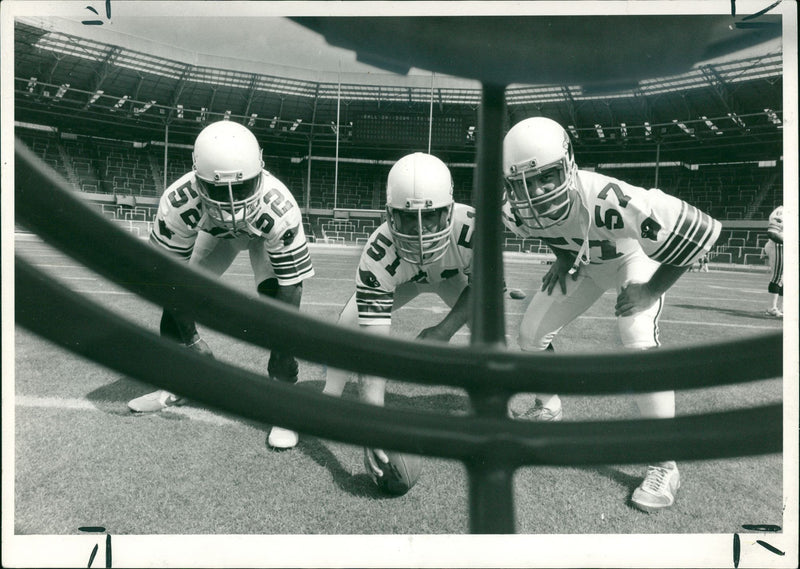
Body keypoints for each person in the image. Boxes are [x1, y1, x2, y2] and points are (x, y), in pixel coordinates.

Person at [501, 117, 722, 513]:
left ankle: (665, 463)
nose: (534, 192)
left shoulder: (611, 198)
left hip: (631, 260)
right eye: (522, 183)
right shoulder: (514, 211)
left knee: (635, 334)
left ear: (568, 166)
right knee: (531, 334)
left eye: (546, 178)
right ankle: (549, 407)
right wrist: (564, 256)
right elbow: (556, 230)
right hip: (585, 264)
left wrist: (650, 289)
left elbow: (702, 232)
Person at [269, 152, 519, 475]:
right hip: (406, 280)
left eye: (429, 217)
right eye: (406, 217)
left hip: (455, 278)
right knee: (349, 325)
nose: (419, 231)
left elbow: (486, 291)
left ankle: (498, 404)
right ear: (389, 215)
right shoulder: (378, 253)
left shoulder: (474, 230)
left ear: (449, 212)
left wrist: (443, 330)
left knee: (491, 325)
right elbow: (374, 352)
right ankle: (328, 397)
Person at [127, 121, 314, 450]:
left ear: (260, 171)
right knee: (181, 291)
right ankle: (176, 383)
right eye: (217, 190)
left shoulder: (279, 207)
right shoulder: (178, 203)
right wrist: (191, 339)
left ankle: (284, 401)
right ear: (198, 179)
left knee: (274, 304)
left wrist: (282, 354)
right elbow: (169, 280)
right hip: (214, 236)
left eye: (242, 188)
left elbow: (291, 289)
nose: (231, 203)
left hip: (261, 238)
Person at [761, 205, 784, 317]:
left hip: (786, 247)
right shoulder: (781, 212)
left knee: (786, 280)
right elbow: (772, 233)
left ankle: (783, 307)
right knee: (777, 277)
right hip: (779, 246)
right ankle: (772, 308)